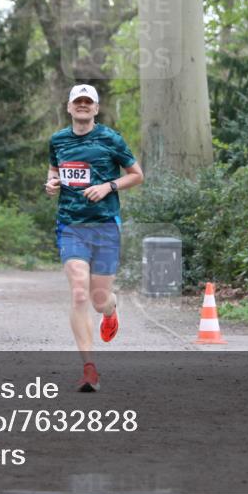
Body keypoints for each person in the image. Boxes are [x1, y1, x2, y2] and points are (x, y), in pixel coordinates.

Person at [45, 84, 144, 391]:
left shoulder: (110, 139)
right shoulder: (58, 140)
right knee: (78, 293)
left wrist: (108, 187)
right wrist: (51, 183)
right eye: (78, 102)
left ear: (96, 109)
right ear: (69, 107)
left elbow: (137, 174)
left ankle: (111, 311)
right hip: (71, 225)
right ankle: (89, 368)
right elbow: (53, 171)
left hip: (104, 226)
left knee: (100, 300)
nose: (83, 106)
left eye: (89, 102)